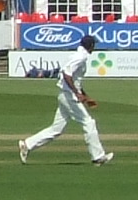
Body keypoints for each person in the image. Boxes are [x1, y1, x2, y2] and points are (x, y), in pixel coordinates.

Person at [19, 26, 111, 165]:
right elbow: (66, 74)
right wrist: (76, 94)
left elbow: (74, 79)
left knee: (57, 129)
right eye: (94, 45)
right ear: (90, 46)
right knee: (88, 123)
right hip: (69, 96)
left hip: (65, 95)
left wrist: (85, 96)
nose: (95, 48)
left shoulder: (77, 55)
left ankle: (27, 144)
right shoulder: (81, 56)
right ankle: (98, 157)